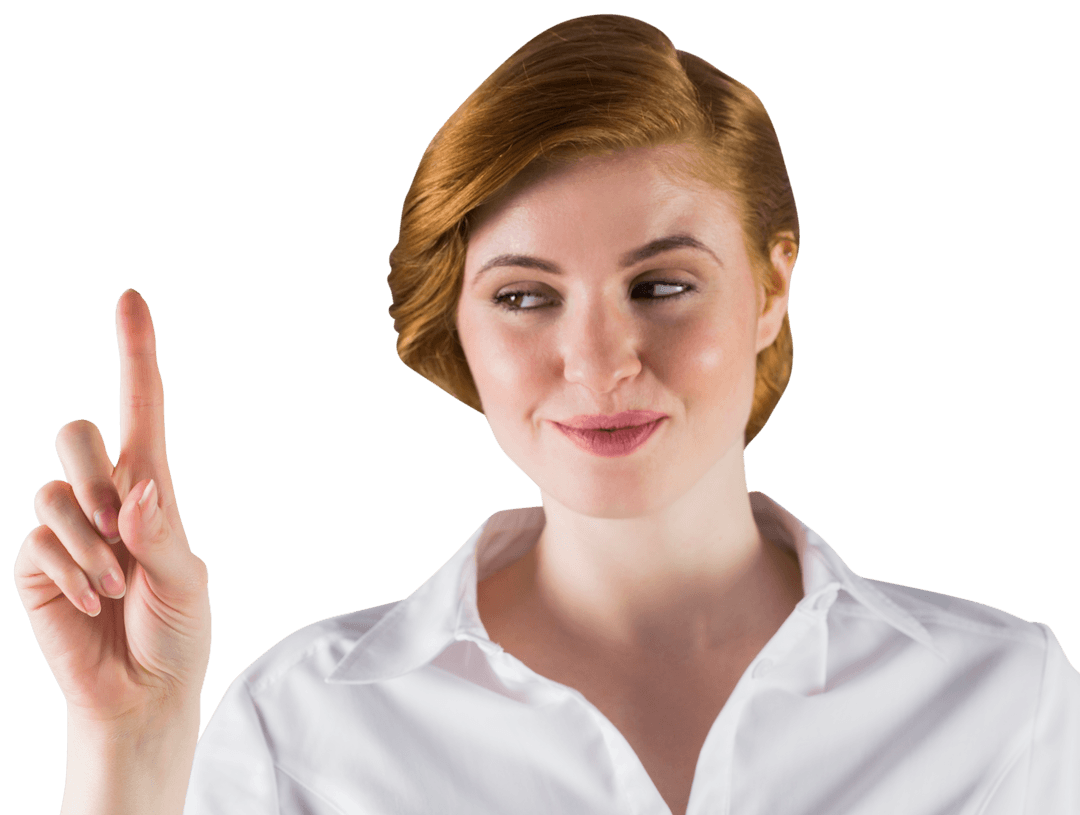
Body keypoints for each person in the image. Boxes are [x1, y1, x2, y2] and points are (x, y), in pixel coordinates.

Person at [14, 14, 1079, 815]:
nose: (600, 360)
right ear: (461, 325)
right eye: (525, 296)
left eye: (662, 285)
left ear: (772, 289)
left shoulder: (1008, 703)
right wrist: (133, 741)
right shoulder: (304, 724)